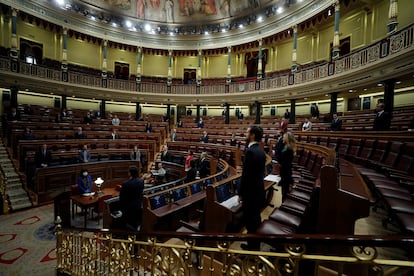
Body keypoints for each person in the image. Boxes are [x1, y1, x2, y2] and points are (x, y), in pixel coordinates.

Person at [239, 126, 266, 250]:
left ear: (253, 135)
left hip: (250, 193)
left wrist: (240, 193)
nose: (245, 134)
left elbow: (246, 175)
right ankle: (254, 245)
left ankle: (252, 249)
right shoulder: (261, 150)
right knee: (255, 219)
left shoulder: (250, 152)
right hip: (258, 190)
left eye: (247, 132)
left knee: (250, 221)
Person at [119, 166, 144, 230]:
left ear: (129, 173)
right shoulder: (141, 181)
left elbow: (121, 198)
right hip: (138, 205)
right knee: (136, 222)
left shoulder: (125, 184)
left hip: (129, 207)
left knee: (129, 223)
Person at [278, 132, 296, 202]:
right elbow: (279, 153)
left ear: (287, 139)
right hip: (283, 169)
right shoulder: (284, 146)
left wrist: (281, 163)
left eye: (284, 137)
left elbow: (286, 161)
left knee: (285, 189)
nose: (283, 138)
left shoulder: (289, 149)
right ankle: (283, 201)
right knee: (283, 188)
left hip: (286, 170)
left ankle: (284, 203)